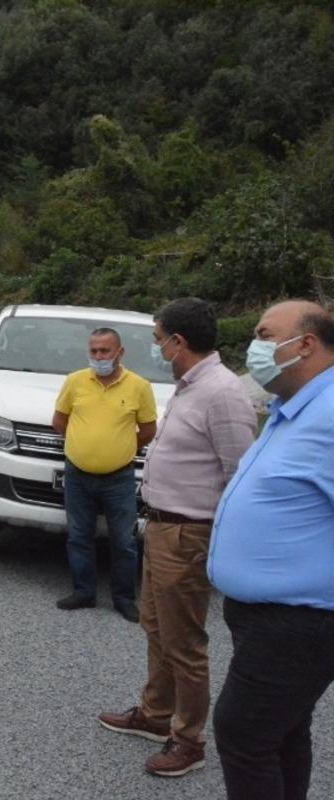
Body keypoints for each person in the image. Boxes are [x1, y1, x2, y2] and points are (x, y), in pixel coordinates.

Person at [97, 298, 256, 777]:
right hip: (164, 526)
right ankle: (155, 713)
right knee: (156, 627)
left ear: (178, 342)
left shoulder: (222, 393)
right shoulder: (191, 386)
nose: (156, 346)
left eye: (157, 337)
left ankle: (188, 739)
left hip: (189, 533)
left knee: (184, 641)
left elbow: (240, 475)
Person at [208, 300, 334, 800]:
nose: (254, 347)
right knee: (282, 731)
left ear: (304, 344)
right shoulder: (294, 407)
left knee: (243, 734)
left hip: (299, 621)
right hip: (270, 617)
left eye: (264, 334)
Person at [52, 327, 157, 622]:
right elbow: (59, 421)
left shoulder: (139, 386)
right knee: (78, 536)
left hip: (119, 477)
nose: (99, 357)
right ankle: (84, 592)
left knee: (123, 540)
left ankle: (124, 599)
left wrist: (120, 448)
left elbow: (148, 430)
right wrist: (82, 444)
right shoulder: (75, 382)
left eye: (105, 351)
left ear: (120, 353)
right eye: (94, 351)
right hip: (77, 474)